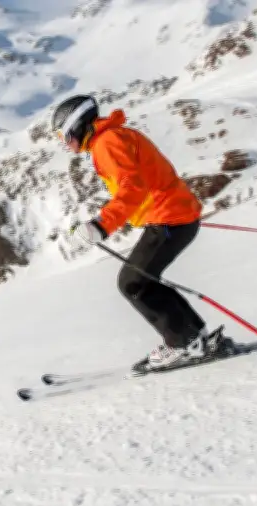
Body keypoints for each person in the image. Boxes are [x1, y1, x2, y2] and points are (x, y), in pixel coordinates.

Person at [51, 94, 230, 371]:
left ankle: (184, 343)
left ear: (78, 126)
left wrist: (102, 225)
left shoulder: (107, 143)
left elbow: (132, 188)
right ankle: (193, 339)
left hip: (169, 219)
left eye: (64, 136)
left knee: (132, 283)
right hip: (174, 217)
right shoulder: (113, 137)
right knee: (145, 280)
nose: (66, 144)